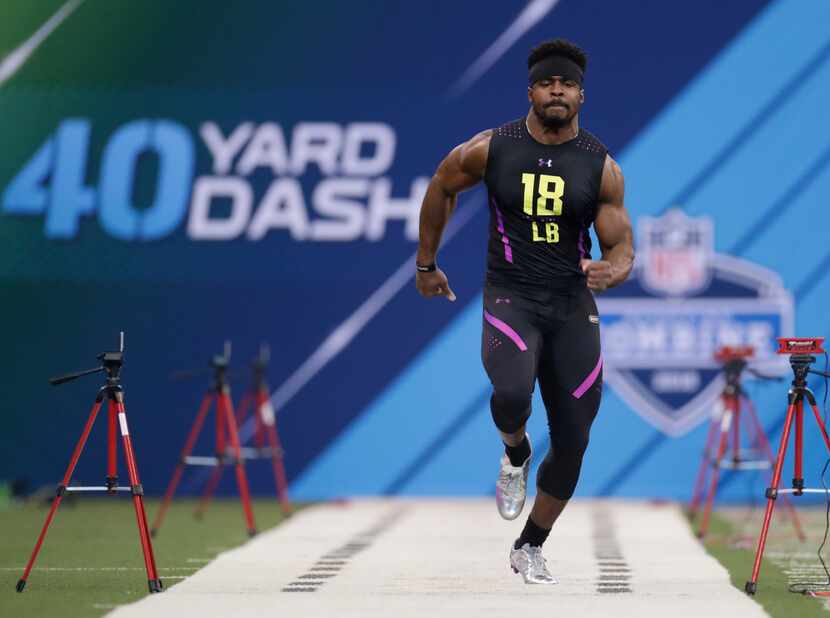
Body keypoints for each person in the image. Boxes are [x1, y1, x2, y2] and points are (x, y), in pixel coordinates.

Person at [415, 38, 634, 584]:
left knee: (576, 435)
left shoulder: (602, 166)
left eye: (567, 84)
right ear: (531, 90)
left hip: (570, 302)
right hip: (511, 294)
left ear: (582, 94)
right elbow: (442, 185)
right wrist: (426, 264)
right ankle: (515, 452)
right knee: (512, 393)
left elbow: (622, 245)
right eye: (547, 82)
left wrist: (616, 269)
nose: (557, 90)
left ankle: (529, 546)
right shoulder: (493, 148)